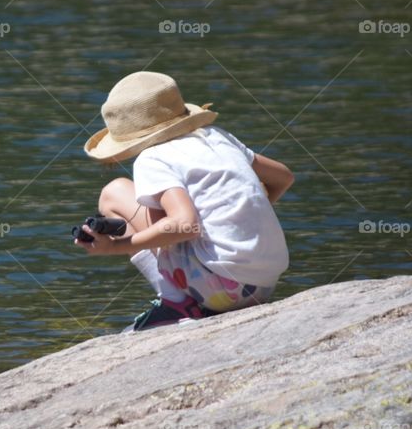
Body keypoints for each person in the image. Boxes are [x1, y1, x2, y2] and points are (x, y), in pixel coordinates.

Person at [75, 71, 294, 331]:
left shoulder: (152, 158)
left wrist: (116, 246)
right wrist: (242, 213)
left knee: (114, 192)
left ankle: (174, 302)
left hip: (221, 290)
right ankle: (184, 296)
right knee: (157, 209)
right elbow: (284, 177)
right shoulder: (217, 136)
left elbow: (183, 225)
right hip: (263, 284)